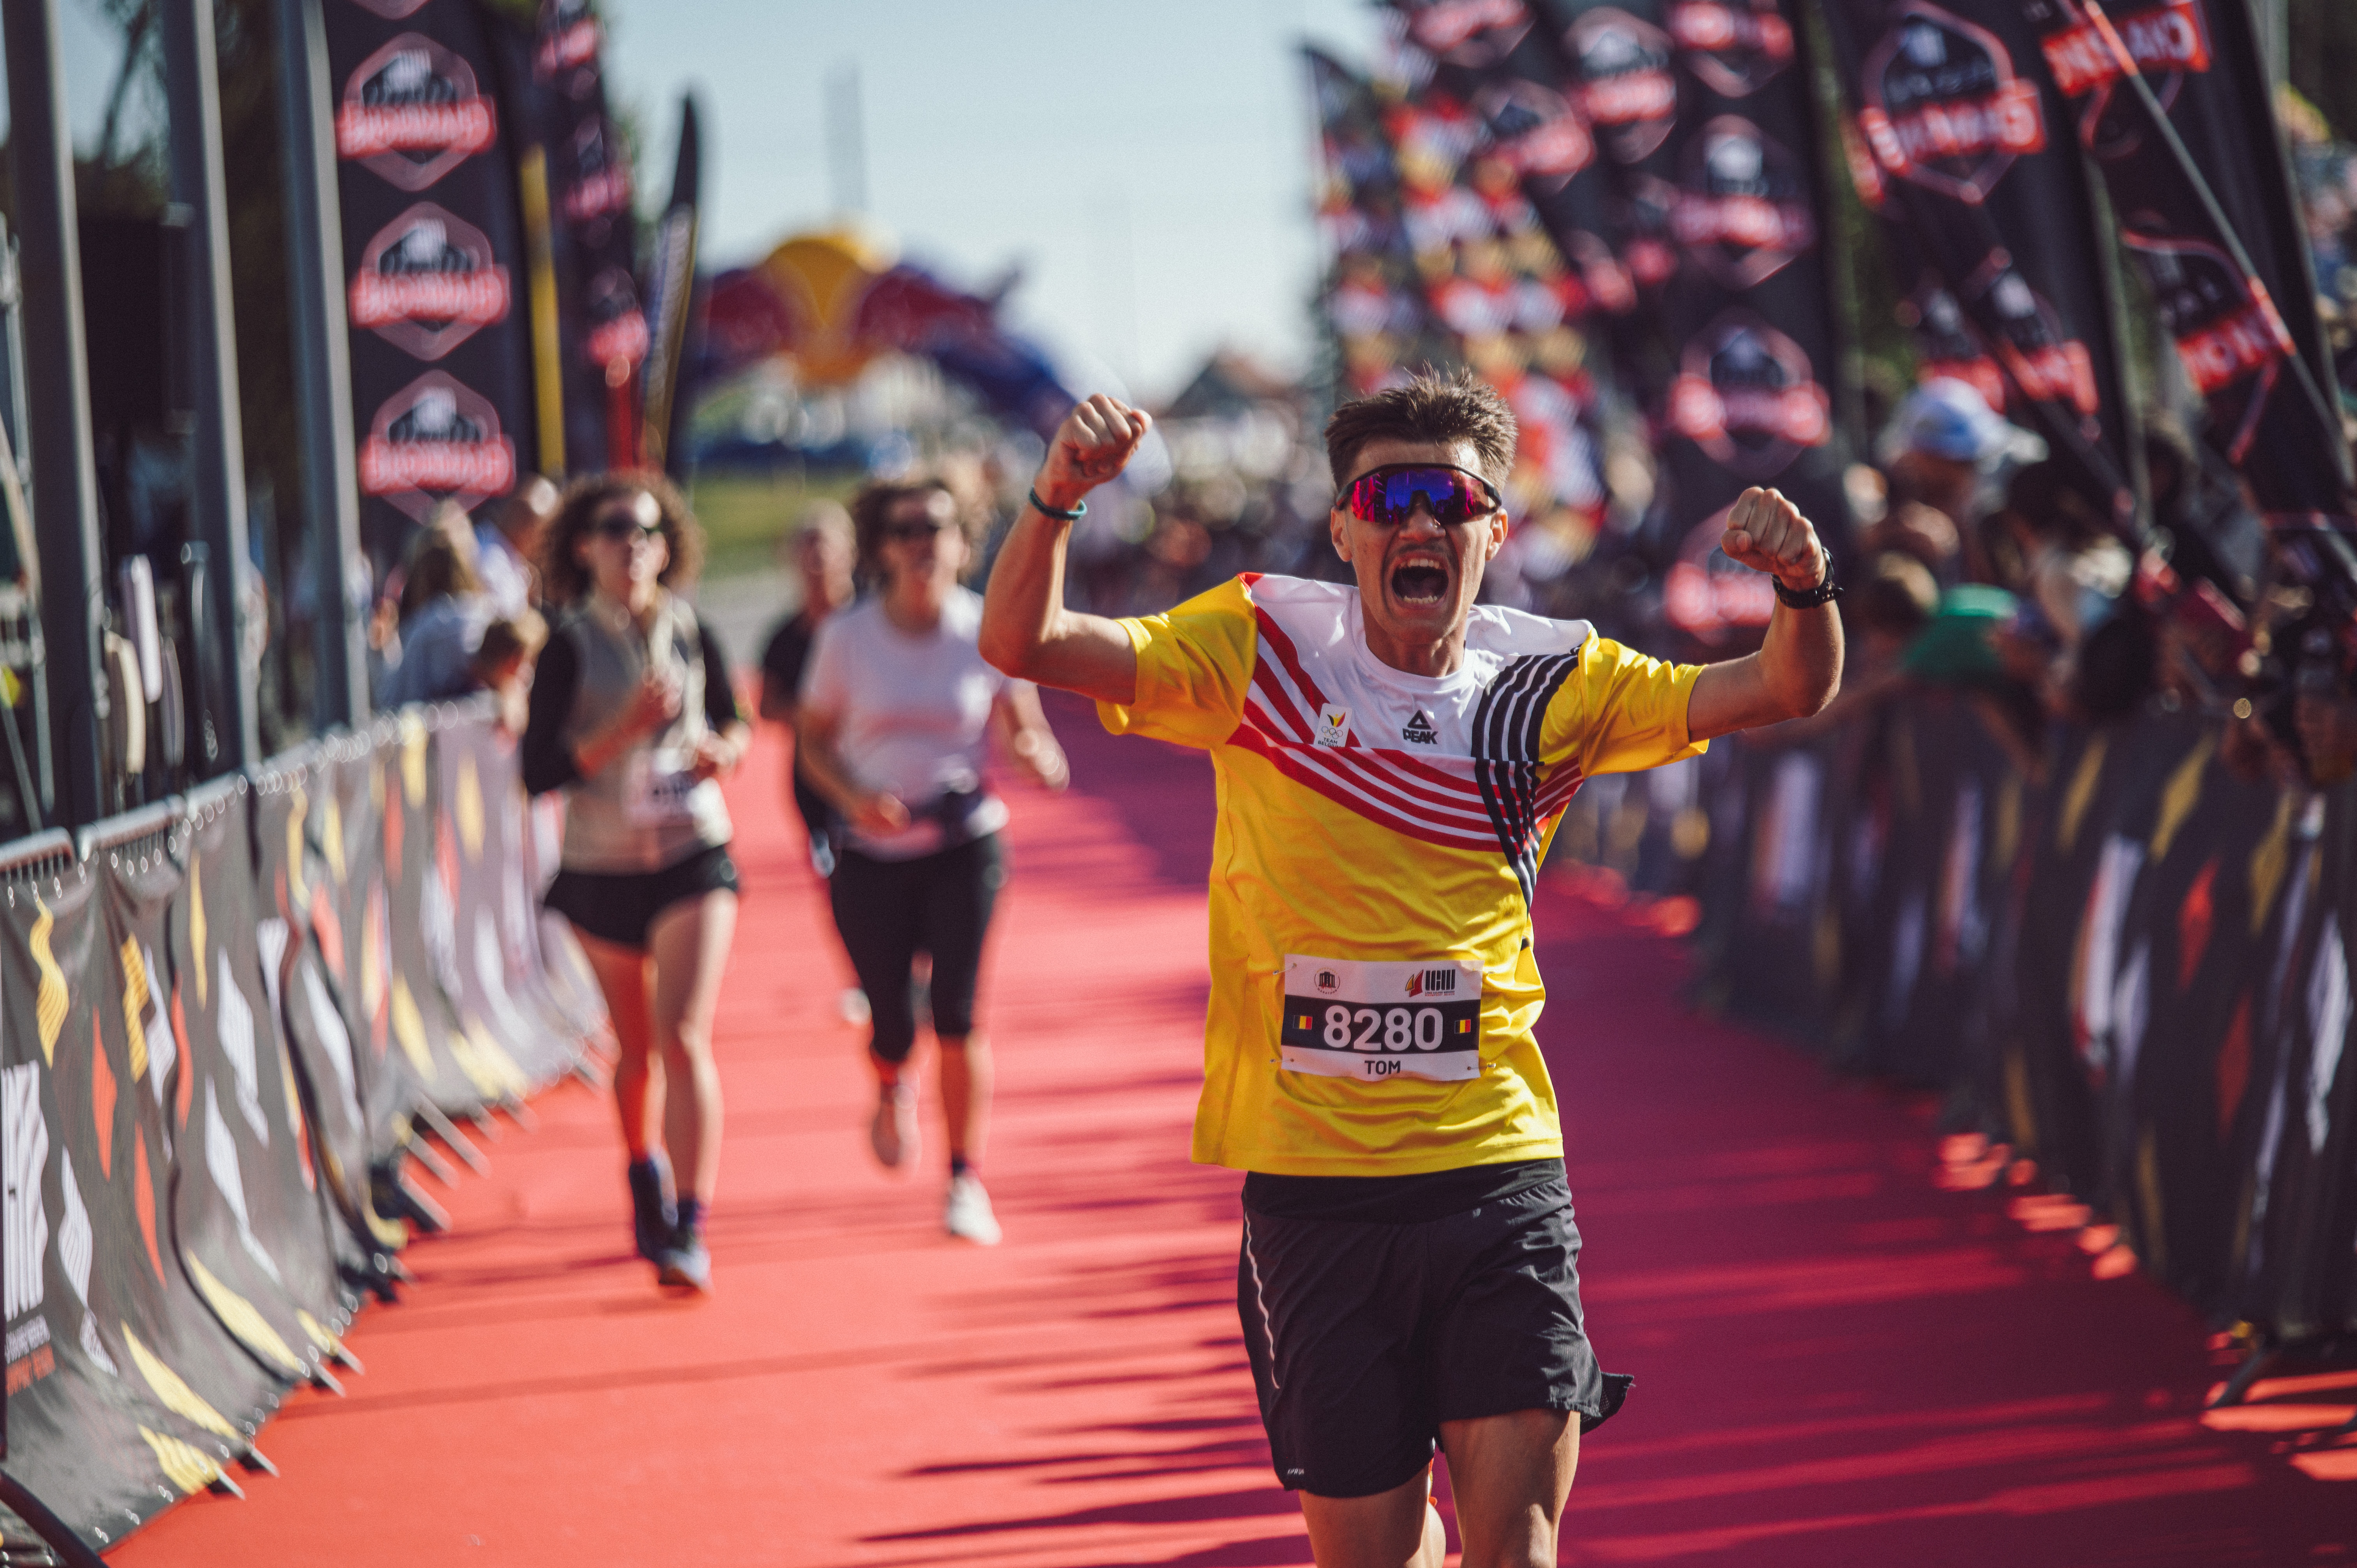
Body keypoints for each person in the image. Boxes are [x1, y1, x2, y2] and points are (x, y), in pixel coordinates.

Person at [979, 373, 1842, 1568]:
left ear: (1494, 528)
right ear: (1344, 528)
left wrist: (1804, 588)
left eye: (1450, 498)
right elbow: (1023, 643)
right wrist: (1057, 501)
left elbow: (1786, 685)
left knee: (1520, 1547)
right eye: (1388, 498)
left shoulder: (1554, 679)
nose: (1418, 523)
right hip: (1312, 1188)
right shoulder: (1259, 643)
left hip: (1495, 1170)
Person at [795, 477, 1071, 1247]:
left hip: (965, 844)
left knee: (958, 1010)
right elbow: (812, 740)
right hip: (872, 855)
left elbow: (1024, 725)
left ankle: (963, 1177)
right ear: (882, 546)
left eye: (938, 527)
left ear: (961, 543)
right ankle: (890, 1078)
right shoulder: (848, 638)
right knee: (891, 1018)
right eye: (906, 528)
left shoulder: (983, 629)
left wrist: (1037, 753)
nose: (923, 541)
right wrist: (853, 796)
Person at [520, 475, 751, 1293]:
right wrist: (621, 731)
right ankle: (641, 1167)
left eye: (648, 531)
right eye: (616, 529)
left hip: (693, 847)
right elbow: (536, 770)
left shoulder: (690, 628)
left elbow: (733, 719)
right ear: (584, 546)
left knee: (685, 1031)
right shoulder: (567, 645)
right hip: (603, 862)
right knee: (638, 1049)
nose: (634, 544)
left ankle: (692, 1224)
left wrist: (725, 749)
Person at [759, 502, 868, 1022]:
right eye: (807, 549)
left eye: (826, 546)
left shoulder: (877, 620)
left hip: (880, 772)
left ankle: (911, 967)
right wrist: (814, 714)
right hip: (816, 781)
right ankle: (867, 975)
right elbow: (767, 705)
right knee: (841, 882)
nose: (817, 560)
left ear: (849, 552)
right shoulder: (785, 637)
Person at [377, 519, 490, 708]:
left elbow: (394, 699)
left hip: (435, 732)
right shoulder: (488, 617)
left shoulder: (422, 631)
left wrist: (385, 649)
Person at [477, 474, 562, 617]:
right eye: (544, 532)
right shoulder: (490, 558)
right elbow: (502, 626)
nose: (546, 543)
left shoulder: (513, 560)